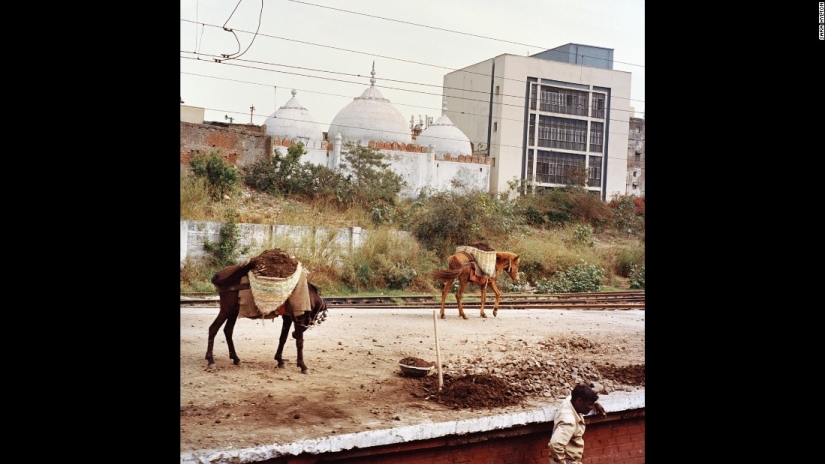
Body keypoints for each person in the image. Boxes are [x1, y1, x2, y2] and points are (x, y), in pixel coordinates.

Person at [548, 383, 605, 464]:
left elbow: (577, 395)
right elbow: (555, 445)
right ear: (579, 401)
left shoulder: (570, 401)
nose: (591, 407)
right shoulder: (569, 421)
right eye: (589, 404)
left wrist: (595, 404)